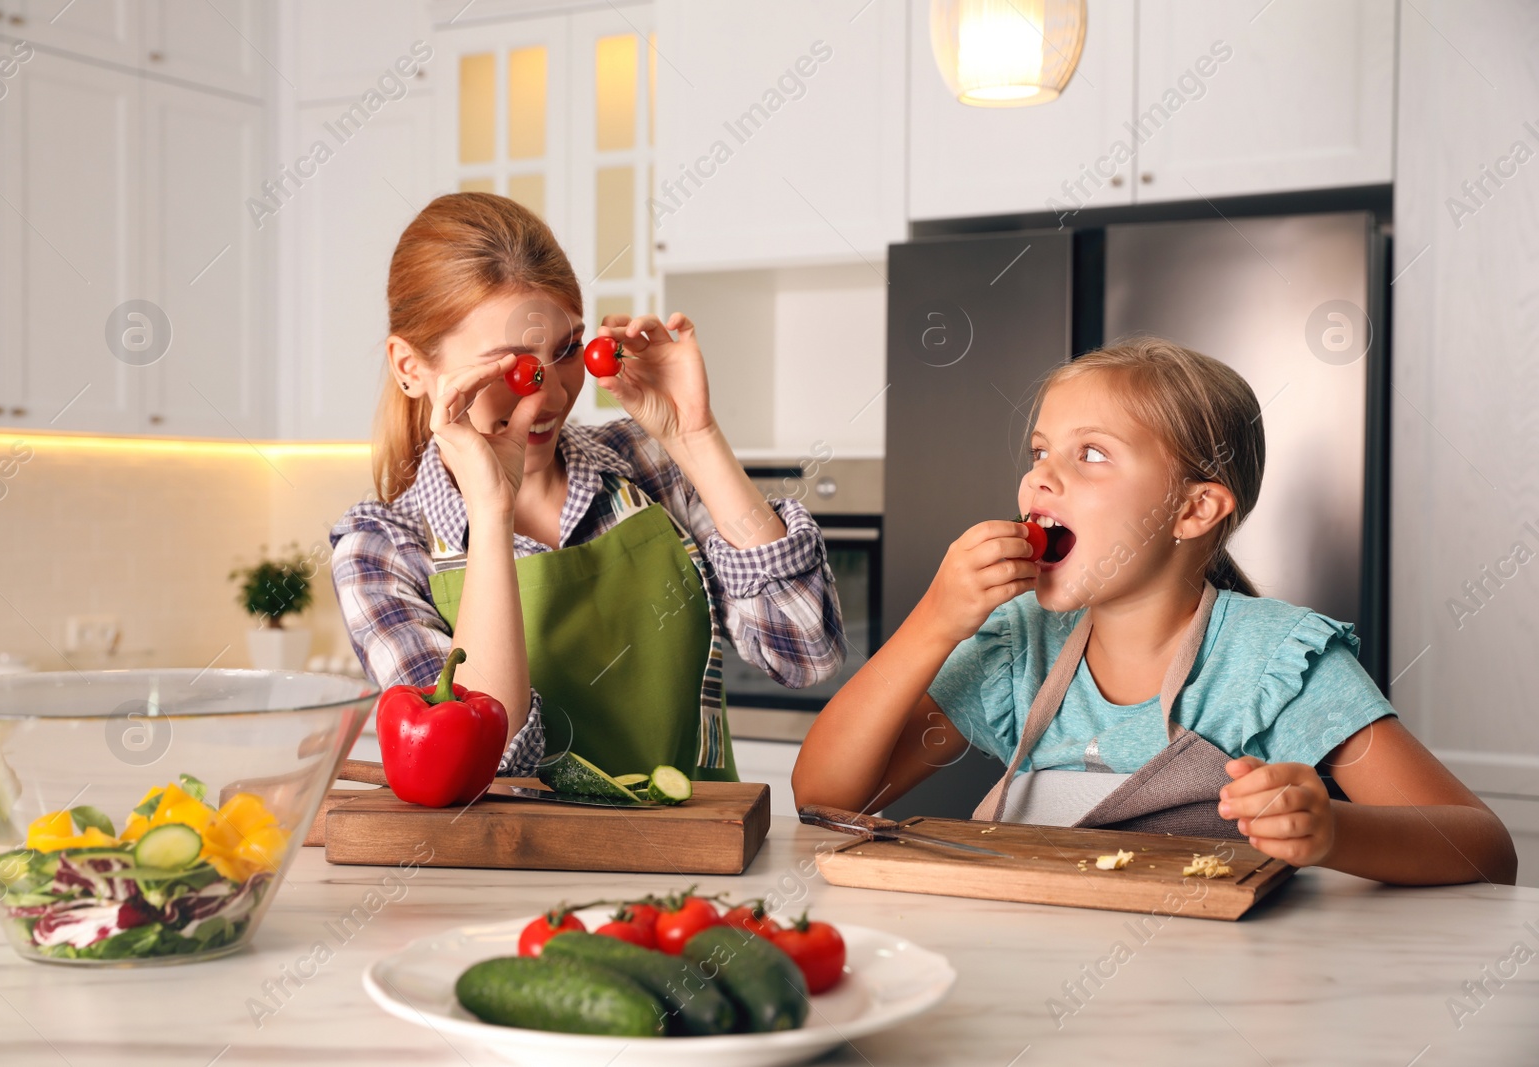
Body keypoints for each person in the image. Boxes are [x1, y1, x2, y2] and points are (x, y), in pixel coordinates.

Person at [794, 337, 1517, 886]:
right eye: (1041, 449)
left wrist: (1333, 831)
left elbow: (1484, 848)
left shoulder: (1274, 662)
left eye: (1093, 454)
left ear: (1195, 508)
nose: (1041, 474)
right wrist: (933, 620)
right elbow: (825, 794)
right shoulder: (1017, 649)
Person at [331, 193, 845, 779]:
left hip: (704, 857)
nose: (549, 397)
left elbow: (804, 653)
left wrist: (695, 436)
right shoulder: (380, 552)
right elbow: (483, 766)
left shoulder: (646, 463)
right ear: (410, 367)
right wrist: (492, 513)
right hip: (524, 871)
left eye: (568, 349)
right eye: (511, 367)